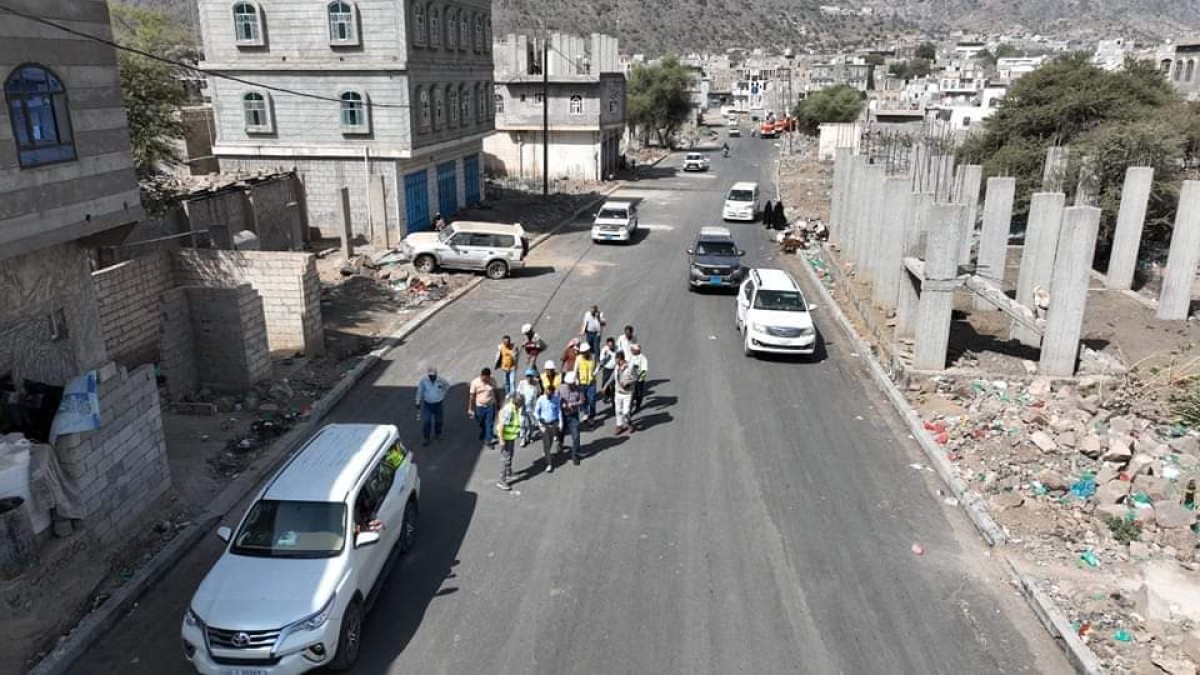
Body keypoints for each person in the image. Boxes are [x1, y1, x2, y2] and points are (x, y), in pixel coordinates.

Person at [414, 366, 449, 446]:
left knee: (439, 420)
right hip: (428, 404)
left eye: (433, 375)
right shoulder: (424, 381)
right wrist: (417, 401)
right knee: (426, 421)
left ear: (436, 374)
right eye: (430, 376)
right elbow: (420, 391)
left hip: (438, 404)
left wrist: (442, 395)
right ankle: (427, 438)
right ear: (428, 375)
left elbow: (447, 386)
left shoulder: (441, 380)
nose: (432, 377)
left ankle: (438, 434)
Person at [496, 394, 525, 491]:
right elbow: (501, 426)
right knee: (506, 459)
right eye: (521, 403)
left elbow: (500, 413)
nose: (522, 405)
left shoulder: (513, 408)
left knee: (510, 455)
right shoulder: (510, 410)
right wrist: (501, 439)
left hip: (510, 437)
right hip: (506, 438)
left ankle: (509, 472)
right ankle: (501, 480)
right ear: (518, 402)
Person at [468, 367, 499, 447]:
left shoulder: (492, 380)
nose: (486, 380)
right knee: (481, 421)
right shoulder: (475, 382)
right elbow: (472, 396)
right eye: (484, 378)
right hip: (480, 406)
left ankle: (489, 440)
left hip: (490, 405)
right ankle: (484, 432)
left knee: (489, 422)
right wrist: (470, 408)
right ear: (481, 375)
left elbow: (496, 391)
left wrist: (498, 403)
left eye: (487, 378)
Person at [534, 385, 562, 473]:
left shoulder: (556, 399)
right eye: (547, 394)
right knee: (546, 444)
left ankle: (547, 453)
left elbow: (559, 411)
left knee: (550, 441)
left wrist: (561, 423)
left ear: (553, 393)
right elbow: (536, 412)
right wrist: (539, 421)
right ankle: (549, 463)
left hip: (553, 423)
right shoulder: (541, 399)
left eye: (550, 395)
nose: (548, 396)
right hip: (544, 425)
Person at [559, 373, 585, 466]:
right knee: (561, 432)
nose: (570, 385)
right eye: (569, 384)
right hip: (562, 414)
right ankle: (560, 444)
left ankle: (575, 455)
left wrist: (573, 404)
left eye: (572, 383)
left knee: (576, 435)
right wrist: (562, 405)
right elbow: (558, 399)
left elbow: (582, 401)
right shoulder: (562, 388)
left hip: (573, 416)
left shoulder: (579, 389)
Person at [515, 366, 542, 447]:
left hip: (532, 407)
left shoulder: (536, 383)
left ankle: (529, 436)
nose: (529, 378)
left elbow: (538, 394)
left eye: (530, 376)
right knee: (522, 423)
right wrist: (519, 402)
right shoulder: (522, 383)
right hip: (523, 407)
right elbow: (518, 393)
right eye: (527, 376)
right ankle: (523, 439)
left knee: (532, 424)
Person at [573, 341, 599, 423]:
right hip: (581, 383)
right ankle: (585, 413)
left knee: (592, 400)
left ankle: (591, 416)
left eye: (586, 352)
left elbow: (598, 365)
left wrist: (595, 372)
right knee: (583, 400)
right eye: (583, 352)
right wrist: (576, 380)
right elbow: (575, 370)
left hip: (591, 383)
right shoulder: (578, 358)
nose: (584, 354)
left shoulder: (593, 357)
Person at [613, 351, 636, 435]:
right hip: (618, 393)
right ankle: (619, 426)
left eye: (616, 358)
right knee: (618, 410)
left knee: (626, 411)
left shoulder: (629, 368)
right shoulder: (616, 367)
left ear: (620, 359)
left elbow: (635, 378)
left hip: (627, 394)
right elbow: (613, 376)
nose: (615, 360)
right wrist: (606, 385)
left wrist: (628, 382)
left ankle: (628, 423)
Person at [628, 344, 649, 413]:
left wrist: (638, 377)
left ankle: (638, 405)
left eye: (633, 350)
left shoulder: (643, 358)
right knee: (631, 393)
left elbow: (643, 370)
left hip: (639, 379)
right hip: (631, 378)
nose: (631, 350)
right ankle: (630, 405)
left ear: (637, 350)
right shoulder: (631, 356)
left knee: (638, 393)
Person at [599, 336, 618, 406]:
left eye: (612, 345)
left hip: (615, 369)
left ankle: (613, 399)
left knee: (614, 385)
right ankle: (607, 396)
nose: (611, 347)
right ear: (607, 344)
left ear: (614, 344)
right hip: (607, 369)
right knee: (605, 383)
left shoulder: (618, 348)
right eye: (609, 345)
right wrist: (606, 357)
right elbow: (601, 361)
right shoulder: (604, 350)